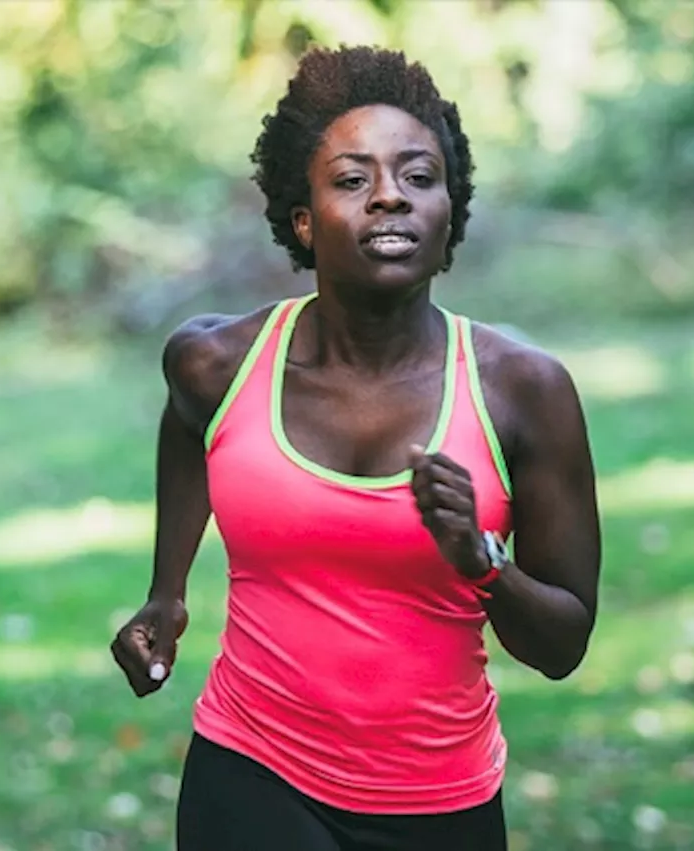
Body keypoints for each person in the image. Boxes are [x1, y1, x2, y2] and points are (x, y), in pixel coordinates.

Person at [111, 44, 602, 851]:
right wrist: (166, 590)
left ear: (450, 212)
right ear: (302, 219)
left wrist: (482, 559)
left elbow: (562, 644)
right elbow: (186, 424)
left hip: (443, 800)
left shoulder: (523, 390)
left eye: (419, 176)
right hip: (250, 770)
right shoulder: (217, 362)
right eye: (352, 179)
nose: (389, 198)